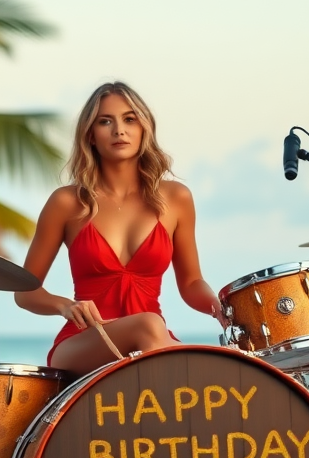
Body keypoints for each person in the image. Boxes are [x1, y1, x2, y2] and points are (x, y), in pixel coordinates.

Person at [15, 81, 223, 375]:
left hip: (154, 341)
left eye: (129, 119)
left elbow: (191, 284)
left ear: (144, 129)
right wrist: (65, 306)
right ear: (91, 135)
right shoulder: (66, 203)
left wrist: (220, 308)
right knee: (153, 326)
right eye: (105, 121)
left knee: (154, 329)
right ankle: (199, 365)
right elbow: (25, 292)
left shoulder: (177, 199)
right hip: (84, 343)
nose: (119, 130)